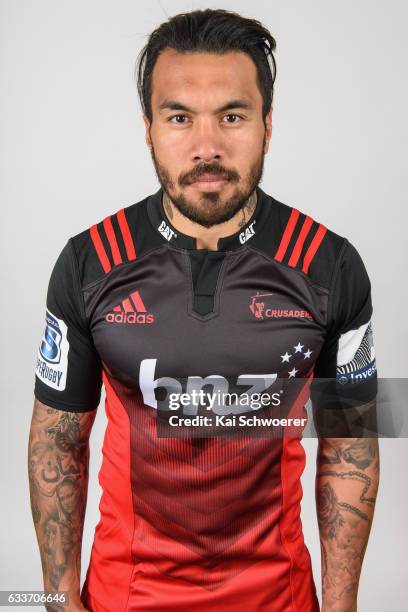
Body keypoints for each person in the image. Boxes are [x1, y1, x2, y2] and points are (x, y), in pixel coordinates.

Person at [28, 9, 379, 612]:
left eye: (233, 116)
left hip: (278, 597)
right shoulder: (87, 262)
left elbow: (351, 445)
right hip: (125, 596)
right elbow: (57, 441)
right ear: (148, 128)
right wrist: (57, 601)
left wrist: (342, 605)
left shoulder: (332, 265)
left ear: (268, 125)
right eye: (180, 117)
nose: (207, 147)